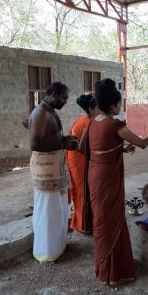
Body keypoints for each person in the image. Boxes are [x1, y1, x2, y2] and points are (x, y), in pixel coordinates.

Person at [87, 78, 148, 285]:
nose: (120, 107)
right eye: (119, 104)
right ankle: (113, 273)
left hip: (94, 175)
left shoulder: (93, 121)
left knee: (102, 221)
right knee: (111, 220)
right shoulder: (115, 124)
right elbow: (141, 143)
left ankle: (104, 268)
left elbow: (93, 148)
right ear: (112, 105)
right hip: (107, 178)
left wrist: (119, 149)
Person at [28, 82, 78, 264]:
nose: (65, 102)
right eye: (63, 98)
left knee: (58, 208)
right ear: (54, 94)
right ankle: (46, 251)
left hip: (54, 168)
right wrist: (63, 144)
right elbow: (35, 144)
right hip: (46, 170)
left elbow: (47, 135)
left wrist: (64, 139)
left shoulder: (48, 111)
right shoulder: (41, 113)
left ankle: (57, 246)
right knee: (48, 211)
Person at [67, 94, 99, 233]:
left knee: (87, 191)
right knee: (82, 193)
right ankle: (82, 225)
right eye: (99, 107)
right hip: (78, 160)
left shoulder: (88, 119)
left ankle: (87, 223)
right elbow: (81, 147)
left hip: (82, 158)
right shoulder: (87, 121)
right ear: (91, 109)